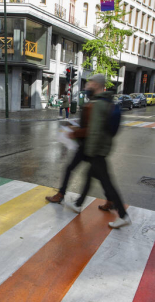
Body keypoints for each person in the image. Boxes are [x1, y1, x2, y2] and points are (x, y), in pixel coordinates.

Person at [65, 74, 131, 229]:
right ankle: (79, 204)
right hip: (102, 148)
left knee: (108, 184)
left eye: (90, 83)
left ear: (96, 85)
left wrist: (89, 152)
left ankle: (123, 215)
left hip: (97, 151)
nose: (88, 86)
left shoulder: (98, 104)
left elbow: (94, 132)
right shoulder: (107, 102)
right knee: (89, 175)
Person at [46, 80, 114, 211]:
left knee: (77, 170)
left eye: (89, 85)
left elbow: (91, 129)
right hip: (89, 146)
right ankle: (110, 200)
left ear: (96, 88)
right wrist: (75, 125)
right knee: (99, 175)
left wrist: (74, 133)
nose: (86, 88)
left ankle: (62, 195)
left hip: (88, 147)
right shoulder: (92, 104)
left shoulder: (94, 105)